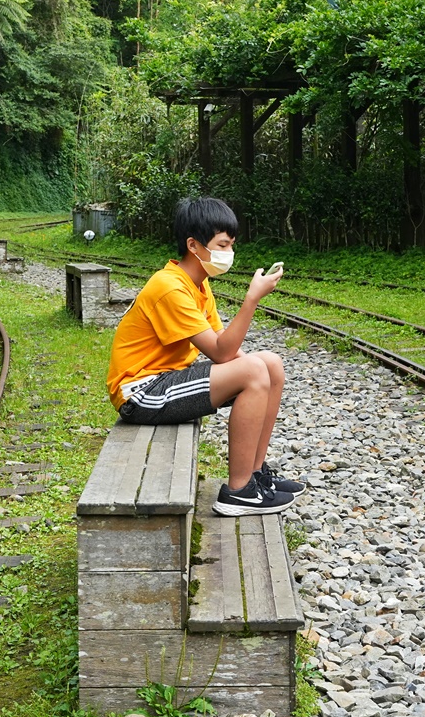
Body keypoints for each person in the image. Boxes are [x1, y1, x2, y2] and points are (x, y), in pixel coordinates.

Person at [104, 197, 304, 516]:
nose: (228, 253)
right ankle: (238, 493)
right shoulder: (169, 287)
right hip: (141, 393)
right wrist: (251, 299)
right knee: (254, 371)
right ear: (194, 245)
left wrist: (260, 369)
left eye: (231, 244)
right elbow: (220, 351)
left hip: (166, 381)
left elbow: (227, 350)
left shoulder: (199, 284)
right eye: (222, 244)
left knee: (270, 365)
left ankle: (255, 475)